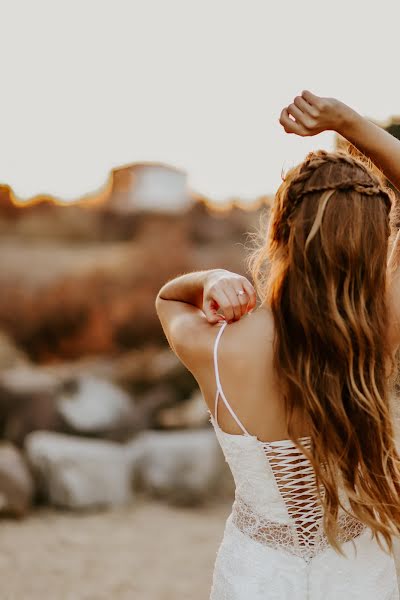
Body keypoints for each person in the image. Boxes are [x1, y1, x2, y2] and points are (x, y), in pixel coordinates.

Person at [155, 92, 400, 599]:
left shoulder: (221, 347)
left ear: (278, 231)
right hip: (363, 577)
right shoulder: (381, 325)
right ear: (377, 244)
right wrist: (349, 122)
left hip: (258, 577)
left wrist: (207, 280)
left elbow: (167, 301)